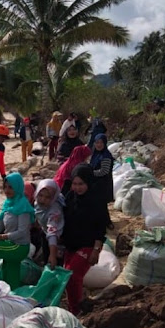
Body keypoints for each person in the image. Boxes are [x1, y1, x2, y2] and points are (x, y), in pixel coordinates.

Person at [61, 164, 109, 315]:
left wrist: (96, 251)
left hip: (89, 245)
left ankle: (76, 309)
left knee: (72, 275)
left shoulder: (97, 201)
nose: (77, 188)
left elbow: (101, 230)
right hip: (71, 244)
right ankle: (74, 307)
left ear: (88, 182)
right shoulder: (70, 197)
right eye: (75, 184)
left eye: (81, 184)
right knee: (67, 277)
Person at [34, 179, 65, 269]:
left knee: (54, 265)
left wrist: (52, 255)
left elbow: (52, 233)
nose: (43, 199)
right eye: (40, 195)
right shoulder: (37, 203)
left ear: (53, 198)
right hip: (45, 234)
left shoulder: (54, 211)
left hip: (57, 240)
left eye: (48, 197)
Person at [90, 133, 115, 229]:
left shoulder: (106, 156)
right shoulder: (95, 154)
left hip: (103, 183)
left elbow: (104, 171)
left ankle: (107, 222)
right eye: (96, 142)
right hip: (96, 182)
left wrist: (90, 173)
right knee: (97, 203)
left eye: (100, 142)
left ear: (104, 143)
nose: (98, 145)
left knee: (101, 204)